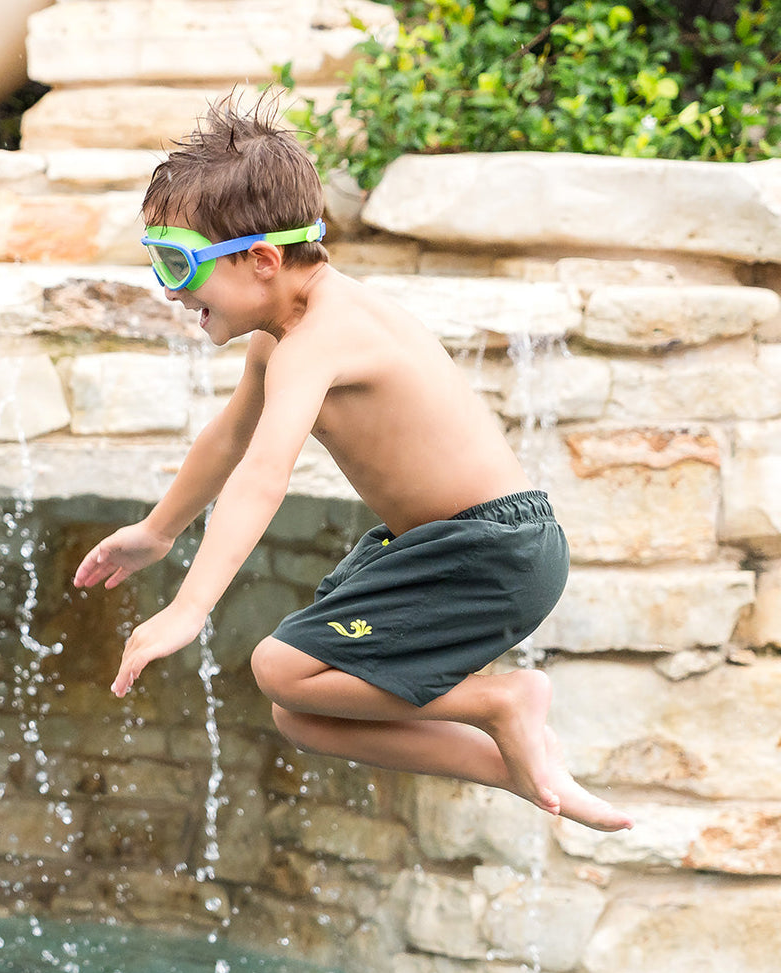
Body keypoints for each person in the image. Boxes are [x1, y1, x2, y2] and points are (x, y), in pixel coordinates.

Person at [74, 96, 632, 833]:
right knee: (303, 710)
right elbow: (229, 437)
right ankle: (511, 763)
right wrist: (158, 530)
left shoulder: (322, 339)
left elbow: (264, 472)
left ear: (263, 260)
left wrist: (190, 607)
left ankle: (501, 702)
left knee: (280, 667)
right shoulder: (285, 328)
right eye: (156, 261)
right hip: (447, 546)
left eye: (176, 262)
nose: (168, 288)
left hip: (493, 549)